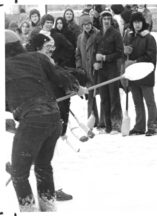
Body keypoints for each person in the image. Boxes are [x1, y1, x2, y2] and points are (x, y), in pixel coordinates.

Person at [5, 30, 85, 211]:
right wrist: (77, 87)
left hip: (32, 120)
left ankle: (28, 211)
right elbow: (61, 76)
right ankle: (48, 208)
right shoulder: (37, 58)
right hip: (53, 119)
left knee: (19, 173)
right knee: (42, 167)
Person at [124, 12, 157, 136]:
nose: (137, 24)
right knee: (137, 102)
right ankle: (139, 126)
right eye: (134, 22)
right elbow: (126, 55)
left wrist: (135, 61)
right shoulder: (129, 37)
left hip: (145, 73)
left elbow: (151, 57)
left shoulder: (149, 38)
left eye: (139, 22)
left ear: (142, 23)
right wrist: (125, 51)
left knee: (149, 101)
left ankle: (153, 126)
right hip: (133, 74)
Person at [94, 10, 124, 134]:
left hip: (112, 69)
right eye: (104, 18)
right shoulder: (98, 34)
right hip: (101, 70)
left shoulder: (116, 34)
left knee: (114, 97)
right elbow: (95, 52)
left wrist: (106, 58)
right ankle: (107, 125)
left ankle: (116, 125)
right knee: (104, 97)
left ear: (111, 20)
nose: (106, 21)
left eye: (108, 18)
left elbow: (120, 52)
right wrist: (95, 63)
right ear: (101, 20)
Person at [75, 14, 101, 130]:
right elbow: (78, 54)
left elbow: (102, 49)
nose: (87, 26)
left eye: (89, 24)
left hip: (97, 70)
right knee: (90, 95)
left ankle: (102, 121)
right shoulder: (80, 37)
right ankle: (93, 119)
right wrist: (79, 67)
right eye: (85, 25)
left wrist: (98, 63)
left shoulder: (98, 34)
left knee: (101, 95)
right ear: (82, 26)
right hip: (86, 71)